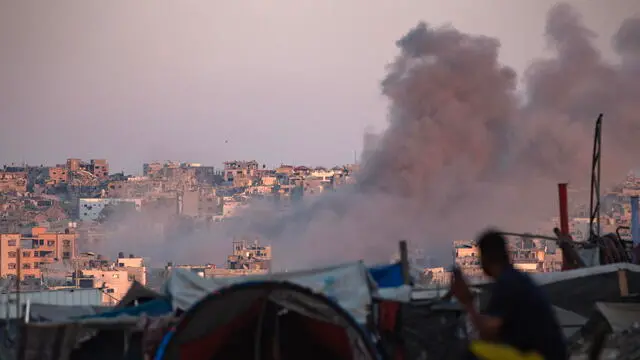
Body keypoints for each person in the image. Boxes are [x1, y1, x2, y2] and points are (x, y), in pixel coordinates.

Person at [451, 229, 567, 360]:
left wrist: (467, 302)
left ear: (485, 258)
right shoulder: (515, 279)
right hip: (542, 354)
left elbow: (488, 333)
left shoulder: (507, 284)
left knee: (473, 354)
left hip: (539, 357)